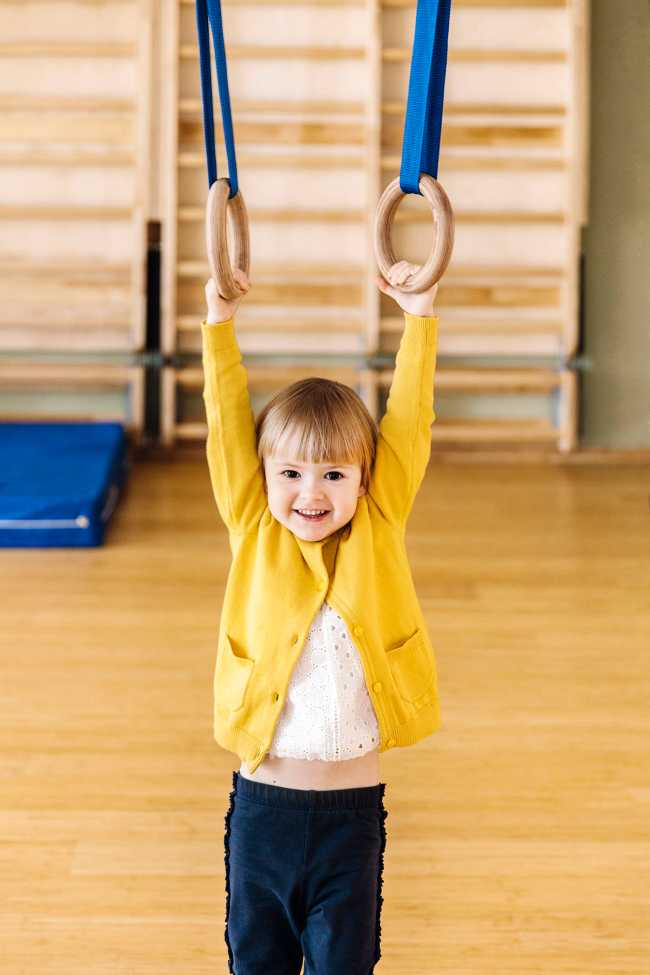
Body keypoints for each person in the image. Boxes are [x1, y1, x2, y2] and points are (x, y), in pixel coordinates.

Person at [202, 262, 441, 974]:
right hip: (263, 812)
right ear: (264, 476)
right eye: (292, 474)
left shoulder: (380, 521)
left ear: (366, 480)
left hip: (351, 818)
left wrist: (419, 316)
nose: (312, 493)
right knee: (257, 963)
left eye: (335, 474)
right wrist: (218, 323)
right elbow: (224, 419)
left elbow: (410, 417)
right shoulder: (253, 524)